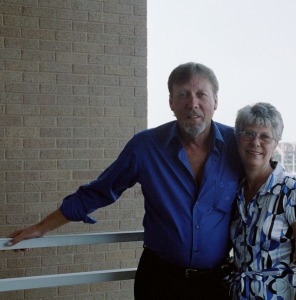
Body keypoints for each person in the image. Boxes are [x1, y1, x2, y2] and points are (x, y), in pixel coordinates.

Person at [5, 62, 242, 299]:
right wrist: (41, 228)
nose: (193, 104)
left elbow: (266, 189)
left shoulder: (238, 145)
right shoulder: (145, 147)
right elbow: (98, 192)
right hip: (160, 280)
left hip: (216, 283)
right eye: (183, 95)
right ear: (171, 102)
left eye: (201, 94)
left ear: (215, 101)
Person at [226, 102, 296, 299]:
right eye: (248, 134)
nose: (256, 142)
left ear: (275, 144)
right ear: (238, 139)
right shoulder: (235, 192)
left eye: (265, 136)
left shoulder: (295, 192)